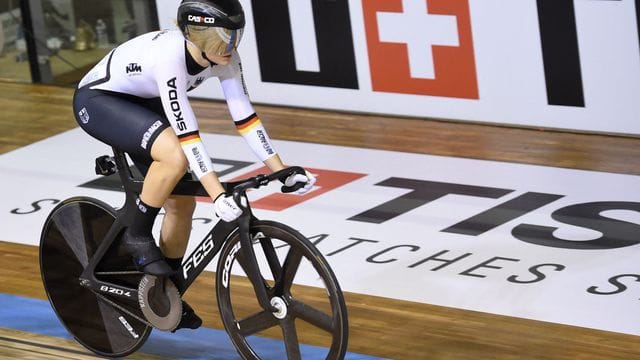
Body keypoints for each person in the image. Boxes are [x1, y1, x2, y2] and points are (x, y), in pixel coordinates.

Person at [72, 0, 315, 330]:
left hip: (144, 100)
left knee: (181, 203)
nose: (232, 47)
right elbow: (188, 136)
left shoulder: (225, 57)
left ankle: (164, 291)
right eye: (224, 39)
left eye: (237, 36)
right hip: (101, 100)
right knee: (174, 156)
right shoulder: (170, 58)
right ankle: (137, 234)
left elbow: (244, 116)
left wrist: (281, 169)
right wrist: (216, 194)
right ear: (196, 36)